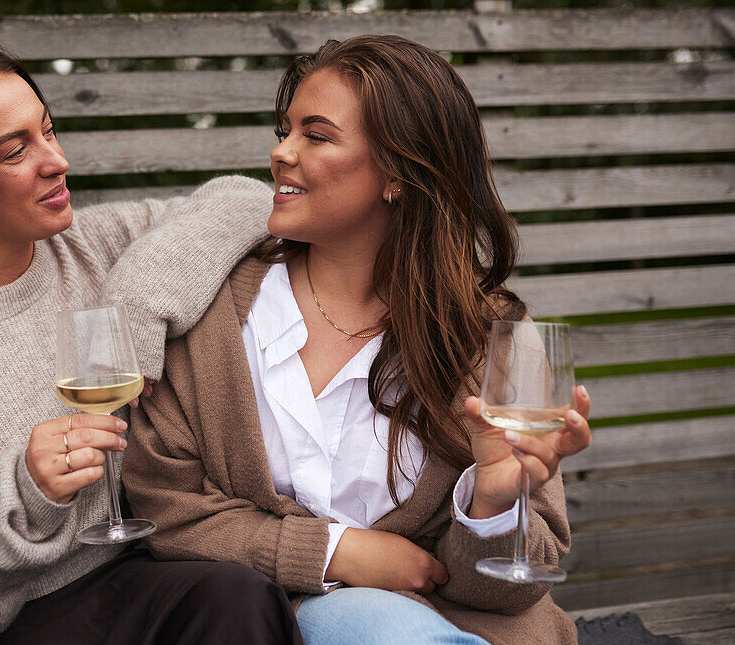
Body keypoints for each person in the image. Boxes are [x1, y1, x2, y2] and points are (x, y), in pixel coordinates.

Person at [0, 38, 303, 645]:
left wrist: (139, 299)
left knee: (239, 597)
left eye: (49, 130)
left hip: (126, 575)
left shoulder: (90, 248)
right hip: (1, 625)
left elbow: (247, 199)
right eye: (16, 150)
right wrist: (20, 492)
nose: (56, 160)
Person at [122, 35, 593, 645]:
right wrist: (334, 551)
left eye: (315, 136)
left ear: (398, 172)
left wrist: (492, 504)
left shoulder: (492, 340)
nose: (280, 152)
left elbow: (510, 588)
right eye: (284, 130)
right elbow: (165, 510)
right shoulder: (214, 317)